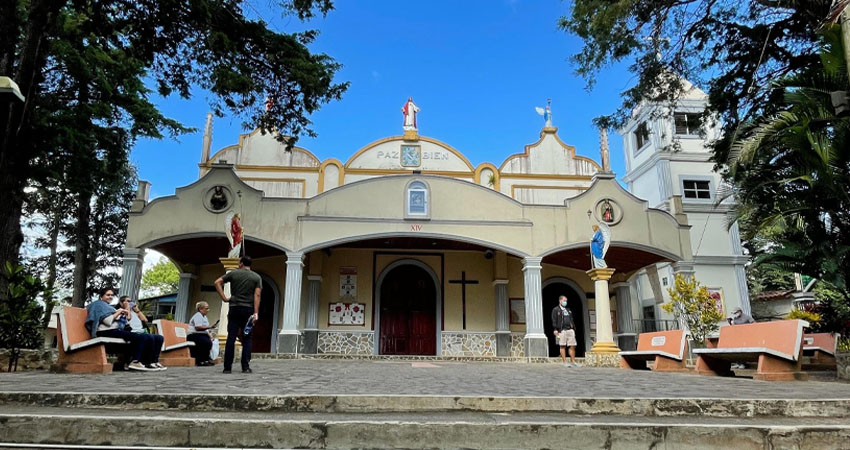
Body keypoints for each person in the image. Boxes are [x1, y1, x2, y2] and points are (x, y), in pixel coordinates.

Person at [84, 288, 158, 372]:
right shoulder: (98, 305)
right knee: (141, 337)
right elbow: (107, 322)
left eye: (112, 295)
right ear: (101, 296)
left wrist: (125, 310)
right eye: (108, 295)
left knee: (144, 337)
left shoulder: (109, 308)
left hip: (114, 330)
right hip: (104, 331)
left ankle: (145, 363)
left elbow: (128, 319)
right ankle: (135, 361)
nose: (110, 297)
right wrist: (119, 312)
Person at [214, 255, 262, 374]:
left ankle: (227, 367)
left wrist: (224, 298)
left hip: (234, 307)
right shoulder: (256, 277)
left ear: (241, 263)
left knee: (231, 336)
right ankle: (245, 367)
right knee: (247, 338)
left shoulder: (233, 274)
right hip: (248, 309)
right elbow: (257, 295)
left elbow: (217, 282)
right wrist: (256, 312)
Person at [118, 295, 166, 370]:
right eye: (127, 301)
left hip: (140, 331)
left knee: (159, 338)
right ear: (121, 303)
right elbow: (127, 319)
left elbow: (145, 320)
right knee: (148, 337)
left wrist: (137, 310)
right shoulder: (120, 311)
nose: (129, 303)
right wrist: (127, 308)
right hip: (131, 332)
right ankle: (142, 361)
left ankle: (154, 361)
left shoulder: (135, 312)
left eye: (130, 301)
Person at [551, 295, 579, 367]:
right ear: (560, 301)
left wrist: (572, 326)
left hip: (570, 330)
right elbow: (554, 319)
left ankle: (573, 361)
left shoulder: (568, 310)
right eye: (564, 300)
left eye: (566, 301)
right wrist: (555, 329)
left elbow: (571, 318)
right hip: (562, 330)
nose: (565, 302)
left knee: (573, 345)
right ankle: (565, 362)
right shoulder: (556, 309)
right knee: (562, 345)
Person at [187, 301, 217, 366]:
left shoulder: (205, 317)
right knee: (205, 342)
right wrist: (210, 327)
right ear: (200, 309)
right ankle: (200, 360)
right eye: (206, 308)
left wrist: (209, 335)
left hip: (201, 334)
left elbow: (205, 329)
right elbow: (198, 327)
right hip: (193, 335)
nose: (207, 310)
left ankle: (206, 359)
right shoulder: (198, 315)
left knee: (209, 342)